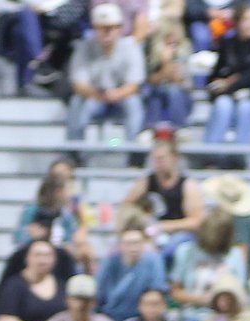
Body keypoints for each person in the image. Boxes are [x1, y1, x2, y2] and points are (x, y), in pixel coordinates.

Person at [65, 4, 145, 146]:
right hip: (94, 95)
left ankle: (134, 152)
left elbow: (134, 84)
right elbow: (78, 84)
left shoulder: (130, 46)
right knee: (78, 102)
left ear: (119, 28)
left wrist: (117, 93)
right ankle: (75, 150)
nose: (106, 32)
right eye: (101, 28)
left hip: (121, 95)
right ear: (94, 28)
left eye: (111, 27)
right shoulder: (84, 47)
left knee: (134, 103)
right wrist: (98, 95)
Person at [120, 139, 205, 258]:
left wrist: (165, 226)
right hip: (150, 231)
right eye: (155, 159)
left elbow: (196, 221)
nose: (158, 163)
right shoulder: (146, 182)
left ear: (174, 158)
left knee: (168, 248)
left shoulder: (187, 185)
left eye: (162, 158)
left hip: (179, 233)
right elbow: (126, 206)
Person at [202, 3, 250, 163]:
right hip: (227, 94)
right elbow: (216, 73)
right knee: (223, 105)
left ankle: (240, 159)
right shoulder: (228, 42)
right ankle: (210, 157)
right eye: (247, 19)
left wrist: (229, 83)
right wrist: (217, 83)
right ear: (237, 22)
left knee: (246, 108)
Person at [96, 226, 168, 321]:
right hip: (110, 317)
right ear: (121, 245)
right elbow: (99, 293)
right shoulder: (109, 263)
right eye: (129, 243)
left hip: (142, 320)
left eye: (137, 243)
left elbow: (156, 291)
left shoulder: (154, 261)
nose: (133, 248)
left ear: (143, 244)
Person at [0, 239, 66, 321]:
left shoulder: (62, 285)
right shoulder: (13, 285)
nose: (43, 260)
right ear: (27, 258)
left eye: (47, 255)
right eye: (38, 255)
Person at [44, 274, 121, 321]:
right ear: (67, 300)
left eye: (86, 300)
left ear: (94, 302)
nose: (81, 304)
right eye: (77, 299)